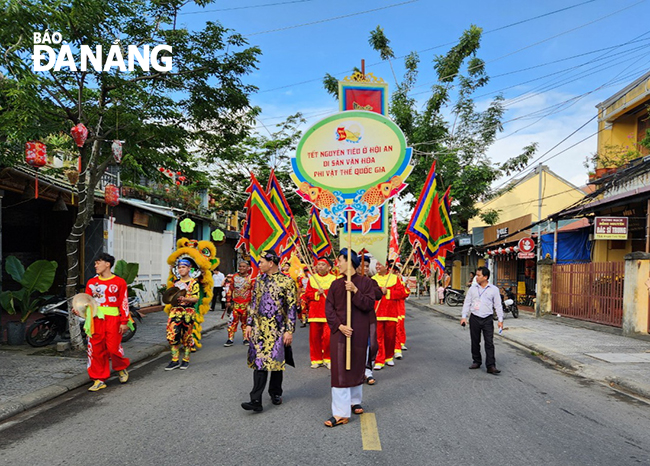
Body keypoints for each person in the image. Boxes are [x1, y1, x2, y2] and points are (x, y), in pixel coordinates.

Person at [324, 248, 379, 427]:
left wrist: (355, 291)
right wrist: (339, 326)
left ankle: (355, 401)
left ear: (349, 261)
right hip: (340, 333)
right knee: (340, 370)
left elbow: (369, 304)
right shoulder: (335, 284)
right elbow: (329, 309)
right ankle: (341, 413)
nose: (337, 264)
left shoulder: (365, 283)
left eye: (340, 260)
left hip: (359, 331)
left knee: (356, 365)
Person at [241, 250, 298, 412]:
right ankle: (256, 400)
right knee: (259, 362)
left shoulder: (287, 281)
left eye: (261, 262)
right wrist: (249, 324)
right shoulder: (259, 280)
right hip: (259, 328)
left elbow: (292, 308)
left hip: (278, 329)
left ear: (270, 263)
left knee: (276, 362)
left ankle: (275, 393)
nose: (259, 265)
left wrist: (289, 330)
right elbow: (254, 302)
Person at [82, 253, 130, 392]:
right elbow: (87, 300)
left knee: (113, 348)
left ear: (107, 264)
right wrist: (79, 308)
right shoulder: (91, 282)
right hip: (96, 320)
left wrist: (124, 321)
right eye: (95, 263)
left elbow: (124, 302)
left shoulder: (119, 282)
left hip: (113, 320)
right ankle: (99, 379)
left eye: (98, 263)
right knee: (96, 349)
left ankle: (121, 368)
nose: (95, 265)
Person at [460, 266, 504, 375]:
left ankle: (491, 365)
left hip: (487, 319)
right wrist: (464, 316)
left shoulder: (494, 289)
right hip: (474, 317)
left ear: (485, 277)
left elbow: (498, 305)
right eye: (476, 275)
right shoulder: (473, 289)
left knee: (489, 342)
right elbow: (467, 302)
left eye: (479, 275)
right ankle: (476, 361)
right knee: (475, 341)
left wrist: (500, 319)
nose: (476, 277)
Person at [372, 260, 408, 370]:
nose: (377, 266)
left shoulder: (394, 278)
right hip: (377, 313)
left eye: (380, 264)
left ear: (386, 266)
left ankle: (388, 357)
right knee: (378, 338)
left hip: (391, 313)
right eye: (376, 265)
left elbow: (402, 293)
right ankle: (379, 360)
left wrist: (388, 292)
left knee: (390, 337)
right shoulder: (373, 280)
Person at [165, 258, 200, 370]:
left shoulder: (194, 283)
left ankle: (185, 359)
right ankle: (175, 360)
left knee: (187, 336)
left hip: (188, 312)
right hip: (175, 312)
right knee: (172, 335)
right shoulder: (175, 283)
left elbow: (196, 298)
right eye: (179, 267)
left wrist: (185, 299)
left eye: (184, 267)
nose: (181, 269)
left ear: (189, 269)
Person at [303, 258, 336, 369]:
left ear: (329, 267)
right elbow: (307, 295)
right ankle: (316, 359)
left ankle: (328, 358)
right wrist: (317, 293)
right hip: (315, 313)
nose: (320, 266)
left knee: (328, 338)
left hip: (328, 313)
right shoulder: (312, 279)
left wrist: (326, 293)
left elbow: (337, 295)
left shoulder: (334, 279)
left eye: (323, 264)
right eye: (318, 265)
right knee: (314, 338)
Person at [357, 254, 381, 386]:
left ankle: (368, 370)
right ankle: (357, 372)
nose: (364, 268)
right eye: (362, 266)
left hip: (369, 317)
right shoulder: (349, 281)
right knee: (356, 346)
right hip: (353, 318)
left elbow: (378, 295)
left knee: (371, 345)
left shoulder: (372, 281)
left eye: (366, 266)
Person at [223, 260, 254, 346]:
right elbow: (230, 289)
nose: (241, 268)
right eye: (240, 266)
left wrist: (253, 303)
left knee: (245, 322)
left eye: (244, 266)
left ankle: (246, 338)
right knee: (232, 321)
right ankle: (230, 338)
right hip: (235, 304)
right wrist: (228, 300)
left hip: (246, 304)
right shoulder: (234, 277)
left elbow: (254, 291)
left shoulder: (251, 278)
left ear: (248, 268)